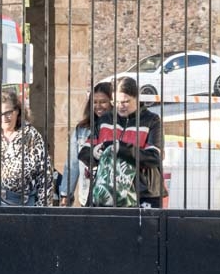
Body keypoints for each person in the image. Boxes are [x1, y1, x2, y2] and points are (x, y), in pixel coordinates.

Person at [81, 76, 165, 208]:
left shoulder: (152, 120)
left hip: (142, 193)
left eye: (125, 102)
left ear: (137, 98)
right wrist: (94, 153)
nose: (120, 106)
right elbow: (83, 152)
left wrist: (122, 149)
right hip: (106, 192)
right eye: (116, 102)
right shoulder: (105, 119)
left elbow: (154, 157)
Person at [0, 88, 54, 206]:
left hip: (22, 206)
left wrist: (41, 210)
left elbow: (45, 177)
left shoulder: (31, 136)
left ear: (17, 111)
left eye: (8, 113)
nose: (4, 118)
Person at [58, 82, 114, 206]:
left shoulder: (119, 128)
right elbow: (72, 164)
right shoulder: (82, 129)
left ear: (112, 102)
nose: (98, 106)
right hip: (87, 193)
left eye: (103, 102)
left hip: (114, 195)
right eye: (95, 102)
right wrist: (66, 194)